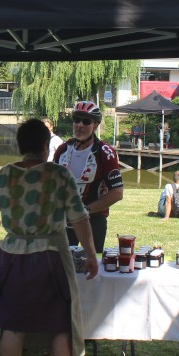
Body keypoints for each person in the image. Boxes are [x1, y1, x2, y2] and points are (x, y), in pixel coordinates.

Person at [0, 119, 99, 356]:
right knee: (60, 325)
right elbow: (79, 217)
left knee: (12, 325)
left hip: (13, 257)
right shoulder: (58, 175)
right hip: (51, 257)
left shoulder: (5, 174)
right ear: (46, 146)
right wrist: (91, 254)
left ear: (21, 147)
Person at [54, 101, 124, 253]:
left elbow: (117, 193)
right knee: (63, 265)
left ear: (96, 125)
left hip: (94, 219)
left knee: (93, 267)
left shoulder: (105, 153)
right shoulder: (62, 150)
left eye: (86, 121)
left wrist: (84, 210)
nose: (80, 125)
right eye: (76, 120)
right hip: (65, 219)